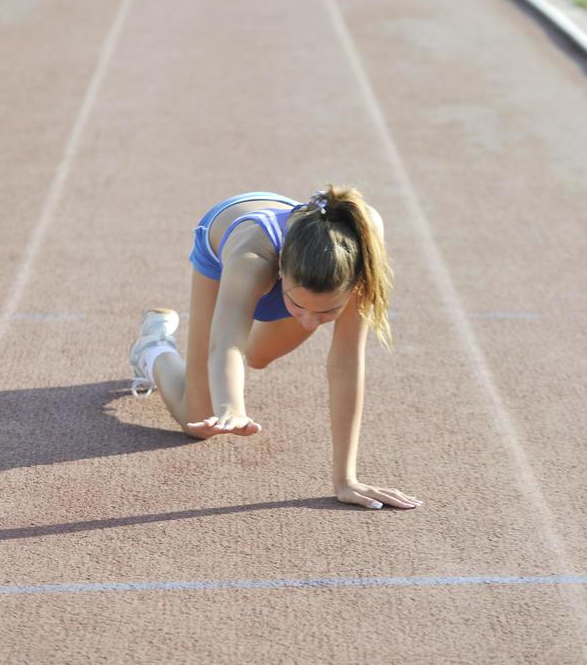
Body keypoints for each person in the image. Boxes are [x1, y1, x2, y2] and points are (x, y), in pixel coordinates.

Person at [128, 186, 422, 512]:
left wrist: (346, 479)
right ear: (281, 274)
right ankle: (153, 347)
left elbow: (346, 363)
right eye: (297, 305)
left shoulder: (363, 246)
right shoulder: (250, 261)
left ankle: (307, 304)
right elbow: (226, 342)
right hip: (225, 243)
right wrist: (232, 408)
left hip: (310, 251)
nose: (310, 323)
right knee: (198, 417)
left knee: (259, 356)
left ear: (353, 285)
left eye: (327, 313)